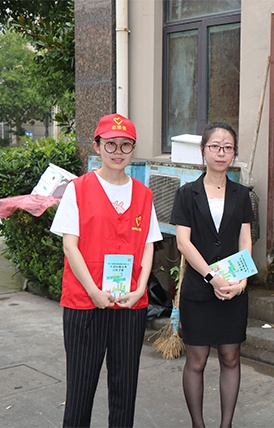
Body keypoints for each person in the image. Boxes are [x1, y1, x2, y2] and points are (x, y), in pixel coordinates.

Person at [50, 113, 163, 427]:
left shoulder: (144, 194)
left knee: (125, 388)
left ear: (133, 149)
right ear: (97, 146)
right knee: (80, 388)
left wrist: (140, 289)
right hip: (85, 302)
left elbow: (149, 245)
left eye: (126, 145)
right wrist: (93, 291)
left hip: (129, 304)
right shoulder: (78, 189)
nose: (118, 151)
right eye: (111, 144)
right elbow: (70, 246)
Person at [170, 122, 254, 428]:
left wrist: (241, 282)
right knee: (197, 360)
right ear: (203, 151)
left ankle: (226, 425)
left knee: (231, 357)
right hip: (199, 290)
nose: (221, 152)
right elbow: (183, 243)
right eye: (215, 146)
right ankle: (198, 424)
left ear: (233, 153)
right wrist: (212, 278)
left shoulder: (242, 195)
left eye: (227, 147)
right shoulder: (186, 193)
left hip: (233, 288)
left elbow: (245, 240)